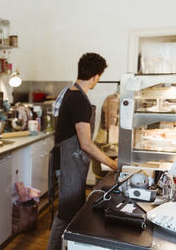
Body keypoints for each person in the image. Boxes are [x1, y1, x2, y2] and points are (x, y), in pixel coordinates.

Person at [47, 53, 118, 250]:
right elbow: (85, 143)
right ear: (96, 76)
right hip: (70, 163)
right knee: (66, 212)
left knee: (72, 209)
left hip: (72, 161)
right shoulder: (78, 98)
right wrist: (112, 163)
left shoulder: (72, 93)